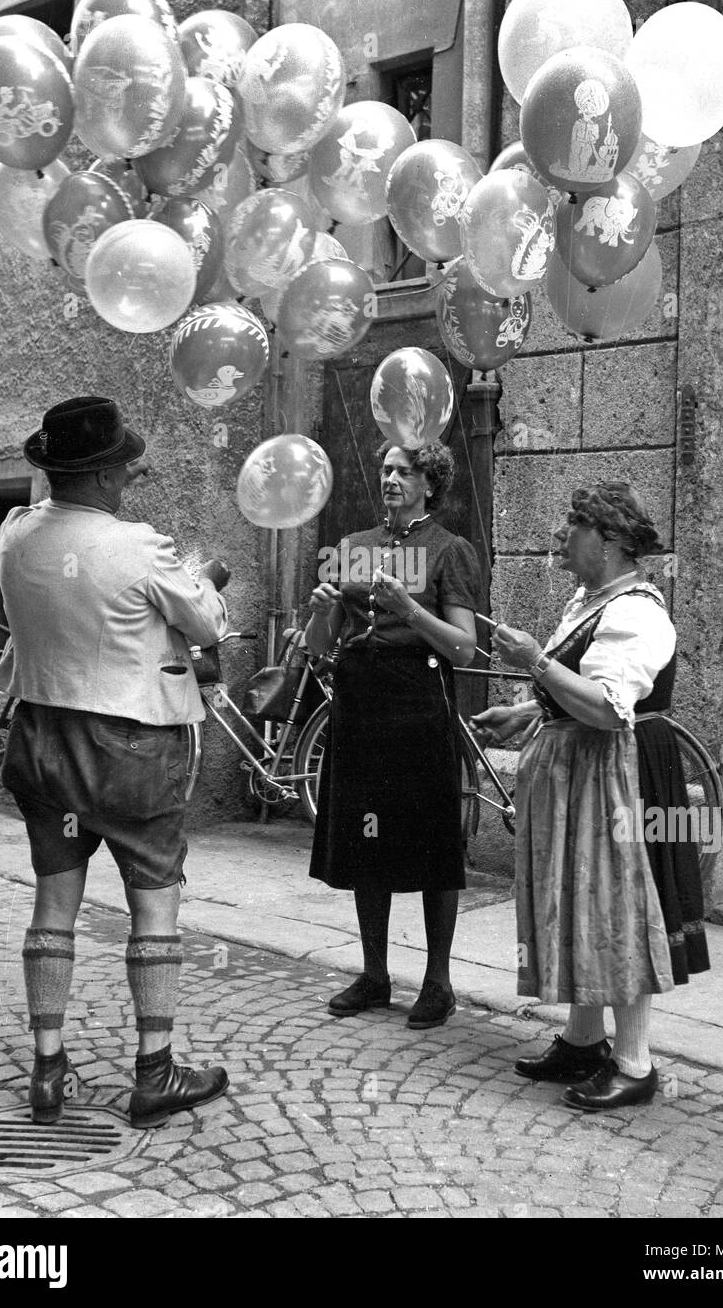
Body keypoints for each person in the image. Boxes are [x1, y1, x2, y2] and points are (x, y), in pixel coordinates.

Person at [0, 396, 231, 1129]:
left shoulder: (12, 535)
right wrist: (206, 577)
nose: (130, 474)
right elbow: (207, 622)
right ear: (96, 474)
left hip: (39, 738)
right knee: (153, 902)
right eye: (122, 465)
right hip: (129, 746)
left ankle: (47, 1067)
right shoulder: (138, 545)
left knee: (53, 905)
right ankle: (155, 1072)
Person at [472, 481, 710, 1111]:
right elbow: (579, 691)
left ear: (607, 541)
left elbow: (608, 709)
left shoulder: (636, 612)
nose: (559, 537)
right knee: (582, 901)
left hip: (619, 773)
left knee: (619, 906)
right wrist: (528, 711)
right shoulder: (592, 598)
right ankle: (583, 1040)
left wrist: (534, 663)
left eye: (571, 526)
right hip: (585, 770)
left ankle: (635, 1064)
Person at [305, 440, 481, 1028]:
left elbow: (463, 646)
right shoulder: (352, 548)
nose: (390, 478)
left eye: (404, 471)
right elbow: (319, 646)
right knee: (365, 838)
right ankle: (375, 974)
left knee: (432, 842)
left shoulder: (451, 551)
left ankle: (437, 982)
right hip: (360, 702)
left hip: (418, 702)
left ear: (430, 483)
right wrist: (320, 609)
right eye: (384, 469)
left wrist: (409, 609)